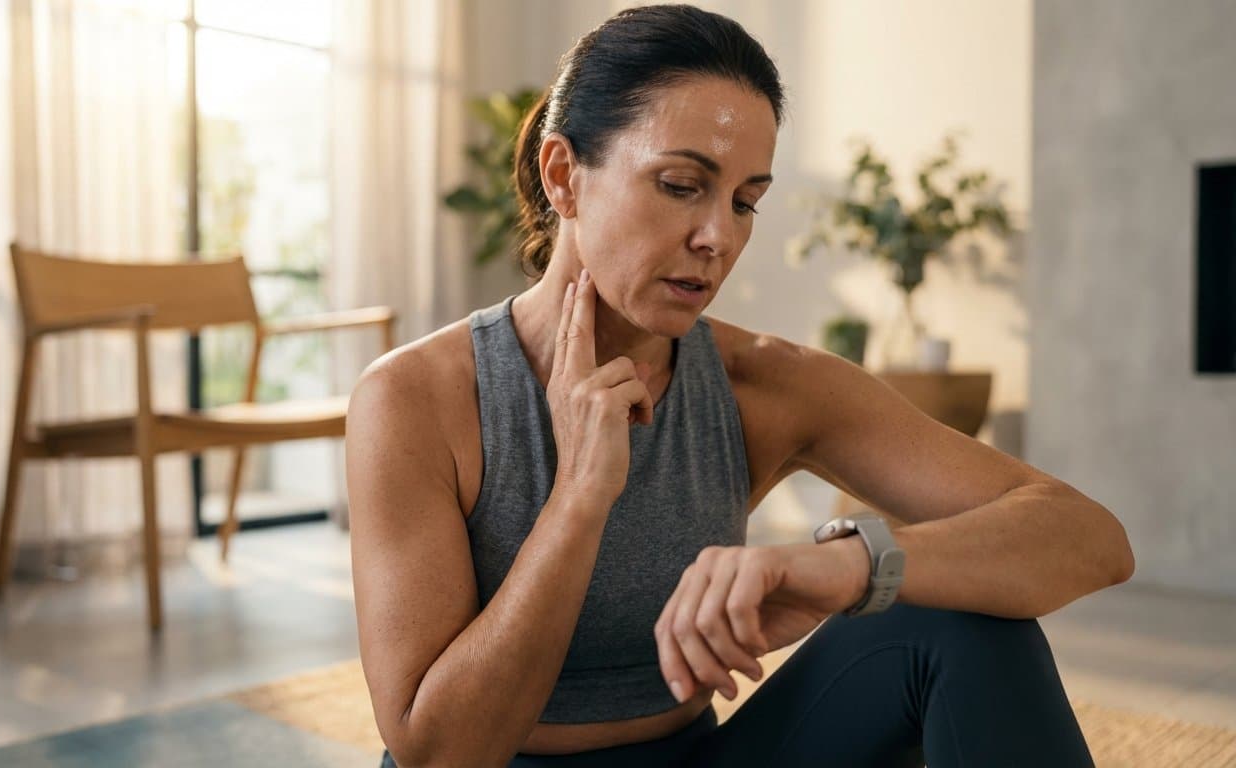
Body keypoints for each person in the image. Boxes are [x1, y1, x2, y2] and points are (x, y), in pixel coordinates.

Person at [347, 5, 1133, 766]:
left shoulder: (765, 383)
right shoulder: (417, 399)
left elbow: (1090, 538)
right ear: (564, 176)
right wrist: (580, 498)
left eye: (746, 201)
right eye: (682, 185)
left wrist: (846, 565)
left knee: (962, 623)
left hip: (693, 754)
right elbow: (439, 754)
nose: (717, 237)